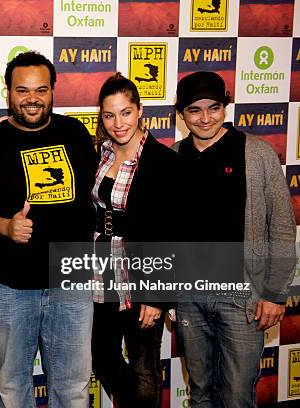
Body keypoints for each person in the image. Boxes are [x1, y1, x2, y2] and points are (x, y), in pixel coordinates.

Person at [0, 51, 97, 407]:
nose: (32, 98)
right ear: (8, 92)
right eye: (22, 90)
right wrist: (5, 227)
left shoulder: (75, 132)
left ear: (53, 90)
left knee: (72, 388)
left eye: (41, 89)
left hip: (71, 280)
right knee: (13, 387)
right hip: (10, 287)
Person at [172, 71, 296, 407]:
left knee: (237, 398)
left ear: (224, 107)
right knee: (199, 394)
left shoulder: (256, 153)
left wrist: (274, 293)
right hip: (189, 298)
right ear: (181, 114)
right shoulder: (174, 156)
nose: (205, 118)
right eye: (194, 110)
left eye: (214, 108)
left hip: (242, 301)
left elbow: (282, 227)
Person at [90, 73, 177, 407]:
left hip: (141, 274)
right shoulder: (101, 154)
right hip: (99, 272)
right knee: (101, 356)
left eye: (125, 112)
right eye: (109, 115)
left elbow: (170, 232)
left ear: (140, 110)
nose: (118, 123)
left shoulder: (162, 160)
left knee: (144, 367)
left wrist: (157, 296)